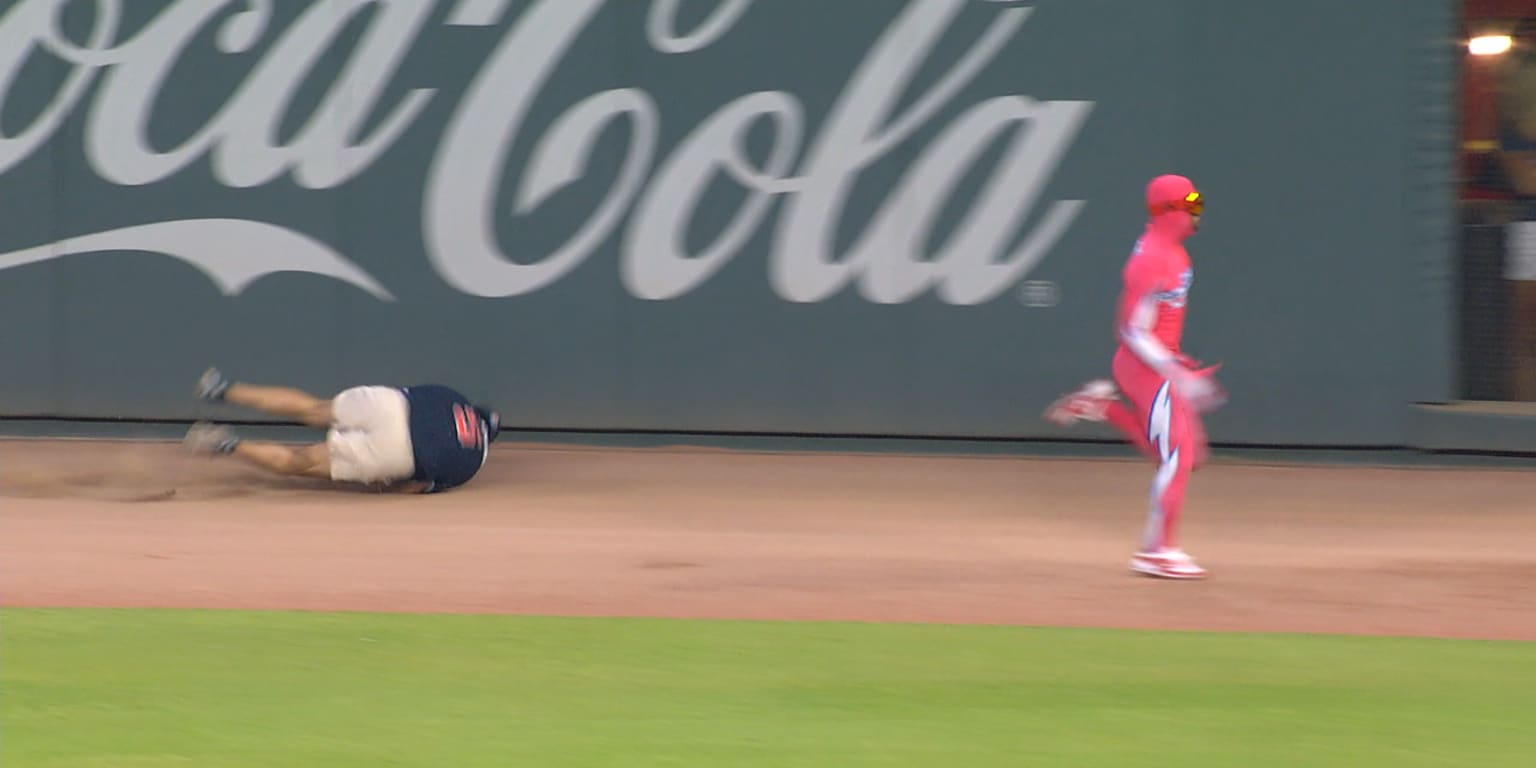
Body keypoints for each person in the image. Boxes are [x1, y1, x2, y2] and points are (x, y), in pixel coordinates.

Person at [1044, 174, 1226, 579]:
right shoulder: (1154, 258)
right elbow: (1132, 330)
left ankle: (1101, 406)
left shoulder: (1172, 252)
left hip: (1156, 366)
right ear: (1168, 210)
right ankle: (1157, 551)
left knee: (1187, 457)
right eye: (1189, 203)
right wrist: (1176, 372)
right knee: (1177, 456)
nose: (1197, 211)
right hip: (1147, 370)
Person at [182, 367, 501, 494]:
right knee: (302, 461)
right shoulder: (472, 464)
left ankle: (221, 389)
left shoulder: (453, 397)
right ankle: (224, 443)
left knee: (313, 409)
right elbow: (413, 488)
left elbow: (409, 392)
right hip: (399, 452)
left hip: (391, 405)